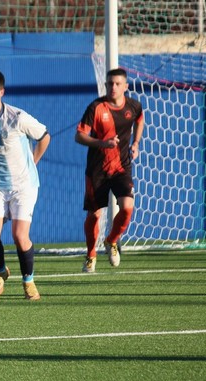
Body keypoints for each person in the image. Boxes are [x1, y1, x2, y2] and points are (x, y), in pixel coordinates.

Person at [0, 69, 50, 301]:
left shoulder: (18, 117)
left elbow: (44, 136)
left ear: (1, 92)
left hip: (23, 185)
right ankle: (2, 272)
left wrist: (33, 162)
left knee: (19, 235)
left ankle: (28, 282)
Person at [75, 67, 145, 273]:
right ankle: (90, 255)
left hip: (121, 167)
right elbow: (79, 136)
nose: (112, 87)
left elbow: (140, 119)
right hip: (97, 170)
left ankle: (111, 241)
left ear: (125, 86)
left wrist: (136, 143)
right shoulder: (95, 107)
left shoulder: (134, 106)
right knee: (94, 216)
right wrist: (101, 143)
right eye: (109, 84)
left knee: (127, 207)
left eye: (117, 84)